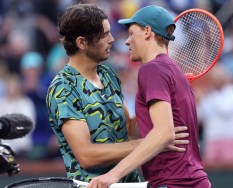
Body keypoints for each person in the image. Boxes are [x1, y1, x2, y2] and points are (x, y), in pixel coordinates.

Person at [46, 4, 189, 183]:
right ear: (81, 42)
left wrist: (159, 99)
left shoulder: (108, 75)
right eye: (104, 34)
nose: (112, 39)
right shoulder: (63, 87)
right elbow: (86, 155)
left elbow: (129, 130)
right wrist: (154, 143)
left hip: (131, 183)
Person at [88, 5, 211, 188]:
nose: (127, 41)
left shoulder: (151, 69)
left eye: (131, 34)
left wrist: (112, 175)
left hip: (174, 183)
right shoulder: (172, 70)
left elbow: (164, 133)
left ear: (147, 32)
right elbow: (153, 129)